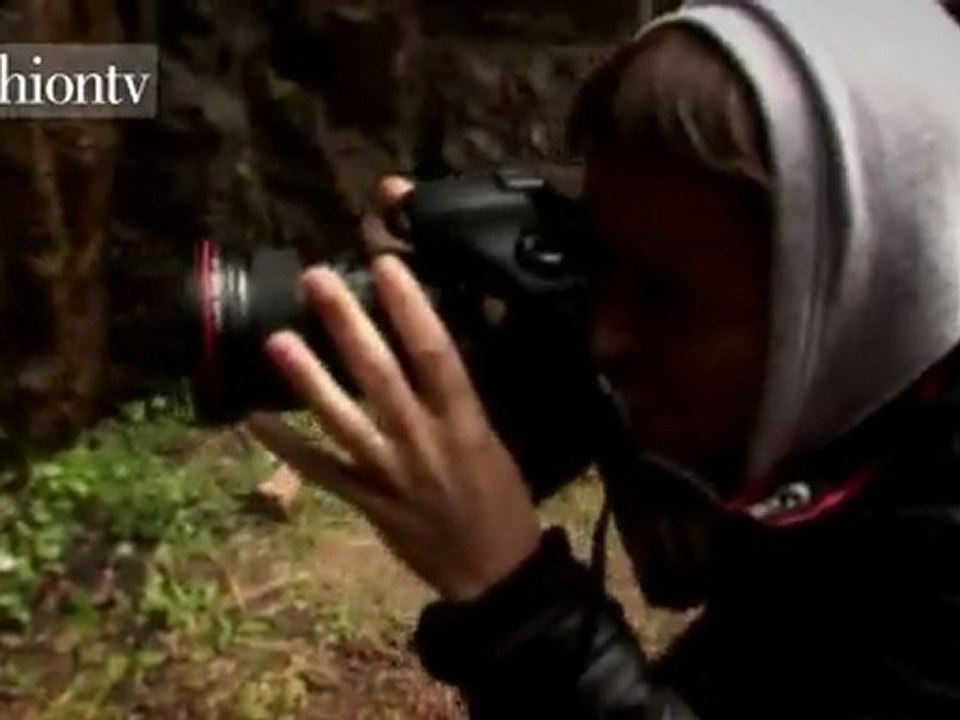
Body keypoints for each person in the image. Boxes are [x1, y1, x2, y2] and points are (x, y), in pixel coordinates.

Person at [247, 1, 960, 717]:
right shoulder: (871, 403)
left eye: (665, 294)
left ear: (865, 290)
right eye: (599, 265)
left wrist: (520, 605)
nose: (607, 339)